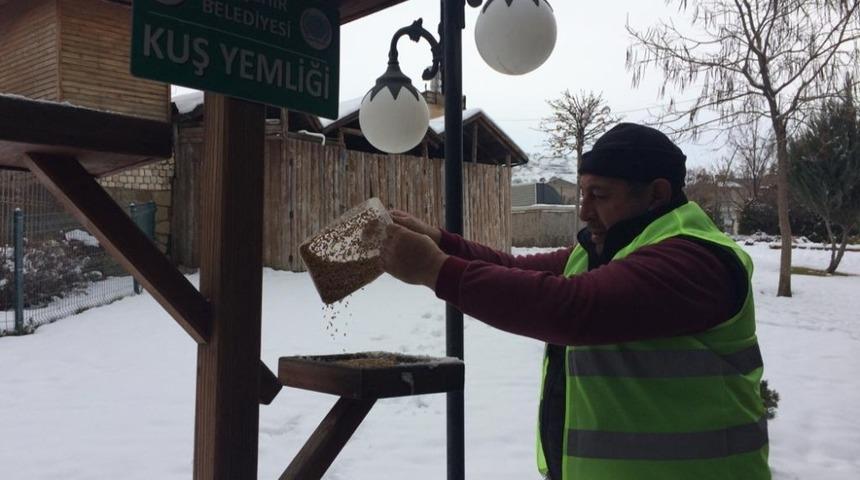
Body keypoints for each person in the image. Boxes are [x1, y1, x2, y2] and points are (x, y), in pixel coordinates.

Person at [378, 123, 770, 480]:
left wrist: (436, 270)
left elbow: (574, 309)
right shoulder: (605, 252)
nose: (584, 211)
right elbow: (515, 268)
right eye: (583, 193)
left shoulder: (694, 260)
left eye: (599, 195)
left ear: (657, 194)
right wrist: (441, 241)